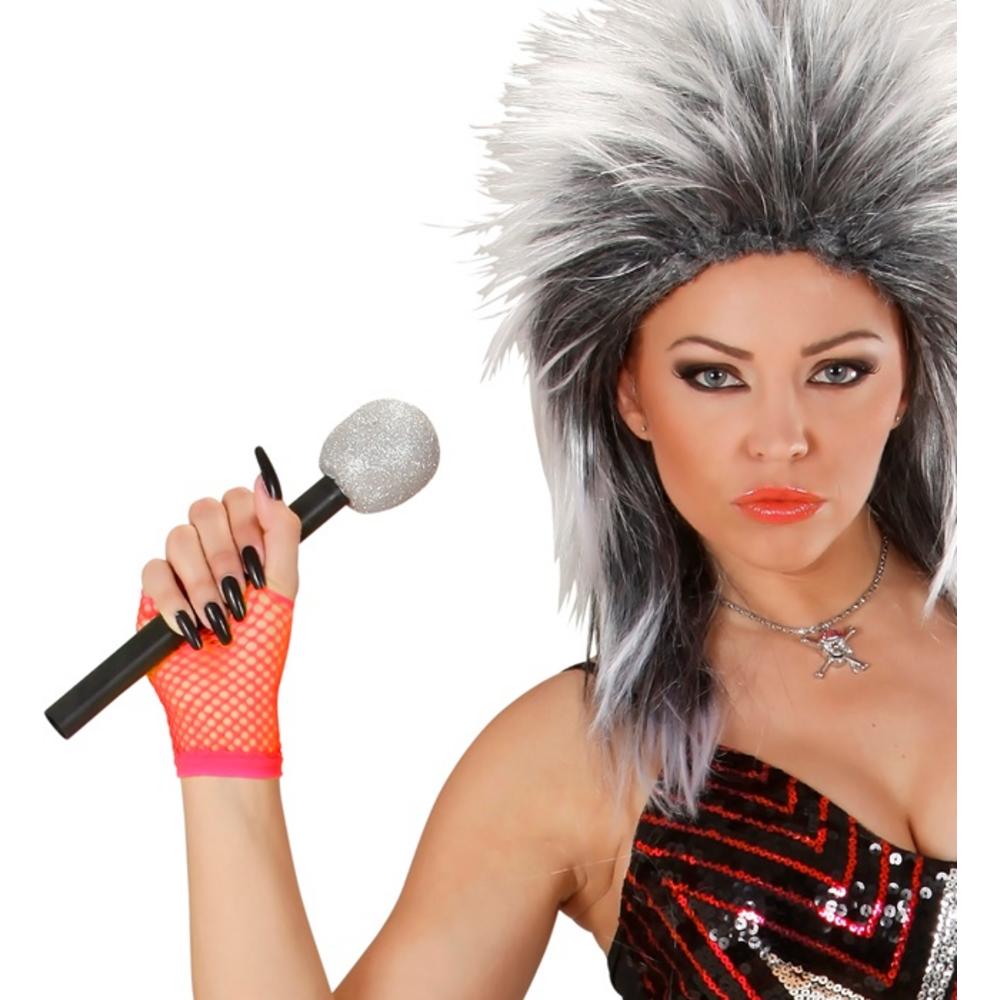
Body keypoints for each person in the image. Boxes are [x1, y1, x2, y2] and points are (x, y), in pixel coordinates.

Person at [135, 0, 956, 996]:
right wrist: (225, 748)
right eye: (713, 375)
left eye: (837, 372)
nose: (781, 437)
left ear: (907, 380)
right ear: (630, 393)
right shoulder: (577, 762)